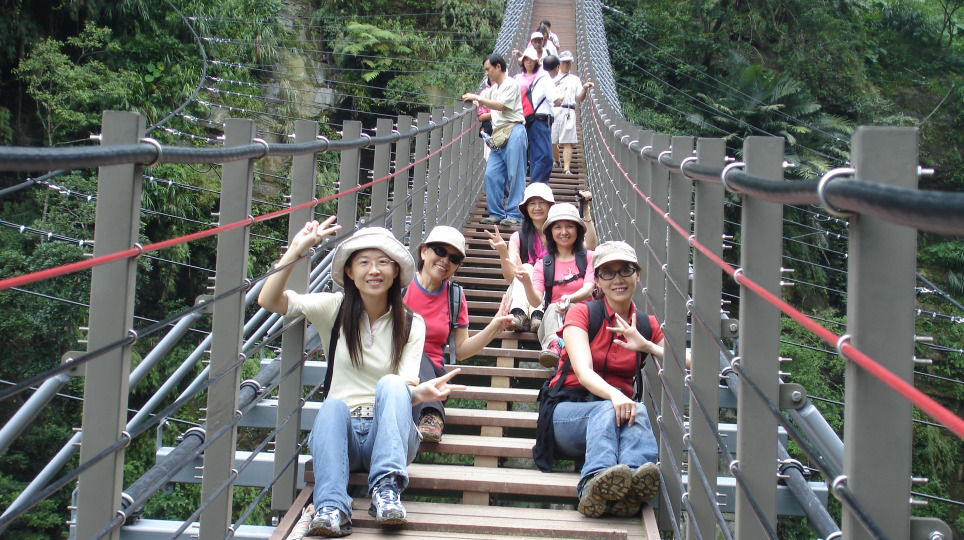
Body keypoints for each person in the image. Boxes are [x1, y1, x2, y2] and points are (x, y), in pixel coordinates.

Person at [258, 221, 463, 537]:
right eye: (364, 262)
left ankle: (386, 491)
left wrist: (419, 393)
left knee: (391, 383)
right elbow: (270, 301)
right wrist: (297, 250)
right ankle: (331, 508)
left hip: (390, 435)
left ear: (395, 270)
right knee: (331, 407)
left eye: (383, 262)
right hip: (345, 436)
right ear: (350, 272)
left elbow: (403, 389)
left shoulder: (411, 322)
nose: (374, 270)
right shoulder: (334, 309)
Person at [532, 241, 663, 519]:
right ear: (598, 281)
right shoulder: (582, 312)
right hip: (567, 414)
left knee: (637, 410)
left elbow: (692, 362)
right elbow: (583, 372)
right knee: (613, 408)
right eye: (608, 273)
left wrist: (648, 346)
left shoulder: (645, 324)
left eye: (625, 270)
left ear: (637, 275)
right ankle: (593, 482)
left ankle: (631, 485)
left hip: (617, 416)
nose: (618, 279)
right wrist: (615, 395)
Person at [404, 225, 512, 442]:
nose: (445, 261)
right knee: (411, 345)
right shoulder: (400, 287)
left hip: (432, 377)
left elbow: (461, 351)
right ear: (423, 252)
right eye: (440, 251)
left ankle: (430, 412)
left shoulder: (454, 296)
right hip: (395, 369)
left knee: (417, 352)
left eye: (453, 258)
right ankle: (432, 413)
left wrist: (493, 327)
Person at [487, 185, 599, 336]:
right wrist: (503, 252)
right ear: (526, 208)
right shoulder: (519, 237)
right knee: (526, 269)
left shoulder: (562, 239)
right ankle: (520, 314)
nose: (537, 207)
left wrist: (585, 210)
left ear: (550, 206)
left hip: (549, 296)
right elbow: (510, 277)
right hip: (529, 294)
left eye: (542, 203)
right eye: (532, 203)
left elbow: (590, 246)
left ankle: (536, 315)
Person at [507, 203, 595, 366]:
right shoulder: (543, 264)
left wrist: (568, 299)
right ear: (550, 232)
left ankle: (561, 348)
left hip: (586, 319)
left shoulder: (590, 257)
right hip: (554, 320)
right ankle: (554, 345)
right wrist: (527, 283)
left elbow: (589, 289)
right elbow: (536, 301)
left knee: (568, 308)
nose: (564, 232)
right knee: (554, 307)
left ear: (578, 230)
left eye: (569, 226)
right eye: (558, 227)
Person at [462, 54, 527, 228]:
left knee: (515, 174)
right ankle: (496, 213)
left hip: (514, 130)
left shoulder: (511, 84)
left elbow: (500, 105)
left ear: (498, 66)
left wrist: (477, 98)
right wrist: (473, 99)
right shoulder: (495, 88)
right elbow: (485, 100)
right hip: (498, 135)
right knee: (492, 174)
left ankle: (514, 215)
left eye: (488, 69)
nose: (486, 73)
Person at [516, 47, 557, 185]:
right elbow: (556, 99)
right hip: (531, 120)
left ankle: (534, 186)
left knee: (536, 155)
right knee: (543, 156)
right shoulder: (540, 78)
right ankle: (536, 187)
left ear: (536, 62)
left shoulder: (538, 77)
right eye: (526, 59)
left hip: (529, 119)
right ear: (523, 62)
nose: (529, 62)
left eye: (531, 60)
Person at [552, 51, 594, 175]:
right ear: (559, 63)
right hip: (553, 110)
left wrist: (585, 88)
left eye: (568, 62)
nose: (566, 64)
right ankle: (556, 160)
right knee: (552, 140)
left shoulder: (575, 79)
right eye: (563, 62)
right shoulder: (552, 77)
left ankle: (566, 169)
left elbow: (579, 98)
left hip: (568, 111)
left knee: (567, 141)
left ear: (572, 63)